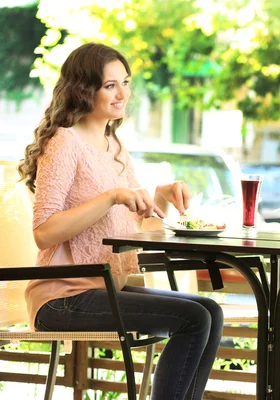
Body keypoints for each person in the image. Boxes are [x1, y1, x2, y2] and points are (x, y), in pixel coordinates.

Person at [18, 43, 223, 400]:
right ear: (84, 90)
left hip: (102, 288)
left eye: (125, 82)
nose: (123, 93)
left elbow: (133, 227)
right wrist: (110, 196)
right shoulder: (64, 142)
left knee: (209, 310)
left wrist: (159, 196)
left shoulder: (113, 144)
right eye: (110, 85)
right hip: (63, 297)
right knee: (195, 318)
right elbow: (44, 233)